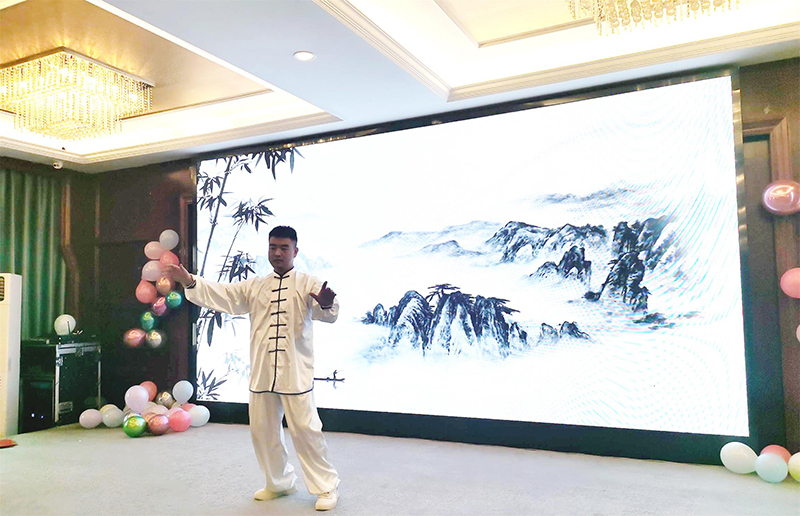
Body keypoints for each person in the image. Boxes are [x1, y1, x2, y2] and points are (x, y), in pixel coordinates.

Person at [162, 226, 340, 511]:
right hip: (262, 373)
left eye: (284, 247)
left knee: (307, 432)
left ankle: (326, 487)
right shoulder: (255, 285)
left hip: (296, 374)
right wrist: (189, 280)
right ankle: (279, 483)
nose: (277, 253)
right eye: (273, 247)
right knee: (263, 432)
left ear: (295, 251)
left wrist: (328, 304)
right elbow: (224, 294)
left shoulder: (309, 283)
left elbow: (328, 312)